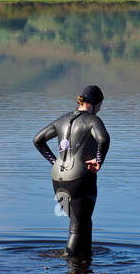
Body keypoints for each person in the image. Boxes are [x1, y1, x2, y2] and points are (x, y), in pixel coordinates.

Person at [34, 85, 110, 257]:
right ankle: (69, 263)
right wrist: (98, 161)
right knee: (77, 228)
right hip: (80, 179)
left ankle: (85, 262)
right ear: (92, 104)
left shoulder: (62, 120)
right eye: (99, 105)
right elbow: (104, 140)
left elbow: (38, 140)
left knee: (83, 223)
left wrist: (55, 162)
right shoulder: (92, 121)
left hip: (58, 179)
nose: (100, 109)